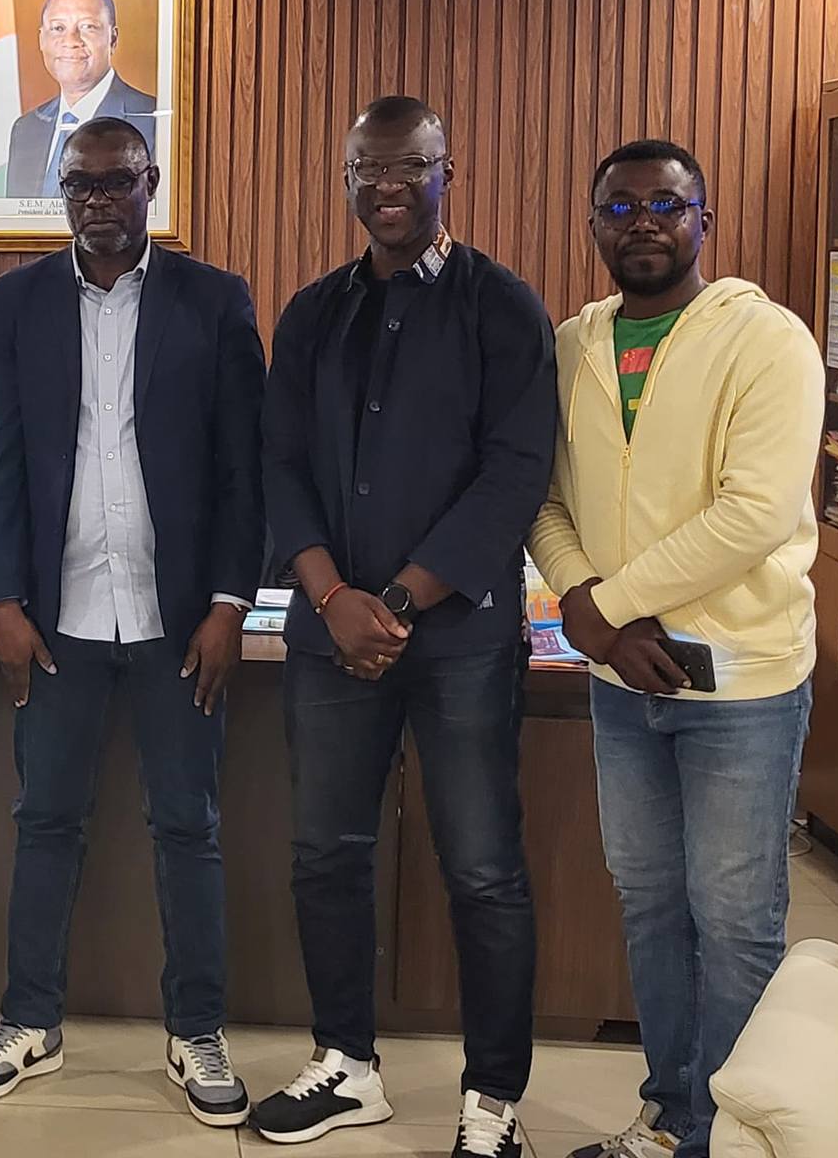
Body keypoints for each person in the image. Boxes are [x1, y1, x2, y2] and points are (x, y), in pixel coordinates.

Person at [252, 96, 556, 1158]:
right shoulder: (311, 313)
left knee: (482, 868)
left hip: (459, 637)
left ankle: (491, 1100)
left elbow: (515, 474)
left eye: (408, 167)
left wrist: (397, 601)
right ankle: (346, 1065)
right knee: (324, 854)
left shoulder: (501, 306)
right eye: (366, 170)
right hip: (329, 633)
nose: (386, 186)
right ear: (344, 180)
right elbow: (279, 464)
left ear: (445, 173)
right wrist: (329, 595)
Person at [0, 115, 264, 1128]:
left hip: (179, 620)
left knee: (189, 826)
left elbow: (242, 465)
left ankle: (196, 1031)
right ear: (61, 191)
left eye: (116, 181)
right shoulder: (13, 304)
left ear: (150, 184)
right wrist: (0, 601)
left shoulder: (213, 300)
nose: (97, 199)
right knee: (44, 820)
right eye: (79, 183)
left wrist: (229, 602)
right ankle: (28, 1020)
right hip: (57, 619)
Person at [528, 140, 821, 1158]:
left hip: (740, 685)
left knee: (733, 919)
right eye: (619, 206)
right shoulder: (572, 344)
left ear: (704, 221)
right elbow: (547, 497)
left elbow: (753, 512)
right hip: (624, 683)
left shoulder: (766, 340)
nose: (642, 221)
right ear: (592, 225)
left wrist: (606, 607)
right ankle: (668, 1119)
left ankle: (726, 1138)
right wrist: (586, 610)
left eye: (666, 203)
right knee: (650, 906)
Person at [1, 0, 159, 198]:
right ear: (41, 40)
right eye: (58, 28)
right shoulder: (26, 129)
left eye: (88, 27)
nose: (71, 41)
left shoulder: (153, 123)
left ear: (113, 39)